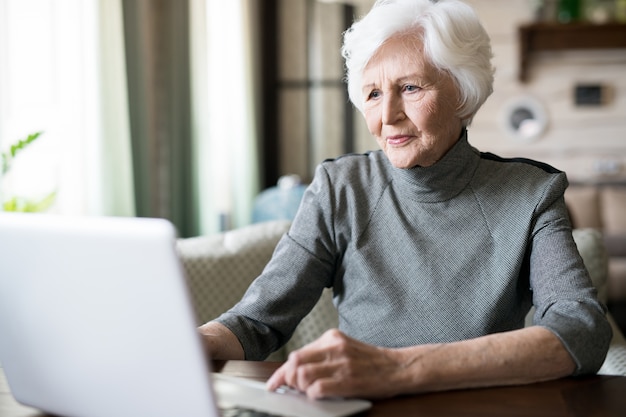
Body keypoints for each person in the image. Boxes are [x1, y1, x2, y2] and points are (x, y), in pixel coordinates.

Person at [199, 0, 612, 400]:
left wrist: (397, 369)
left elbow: (581, 330)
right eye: (373, 94)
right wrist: (194, 342)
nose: (388, 115)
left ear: (463, 93)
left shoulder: (532, 193)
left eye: (410, 87)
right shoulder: (339, 187)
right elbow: (256, 321)